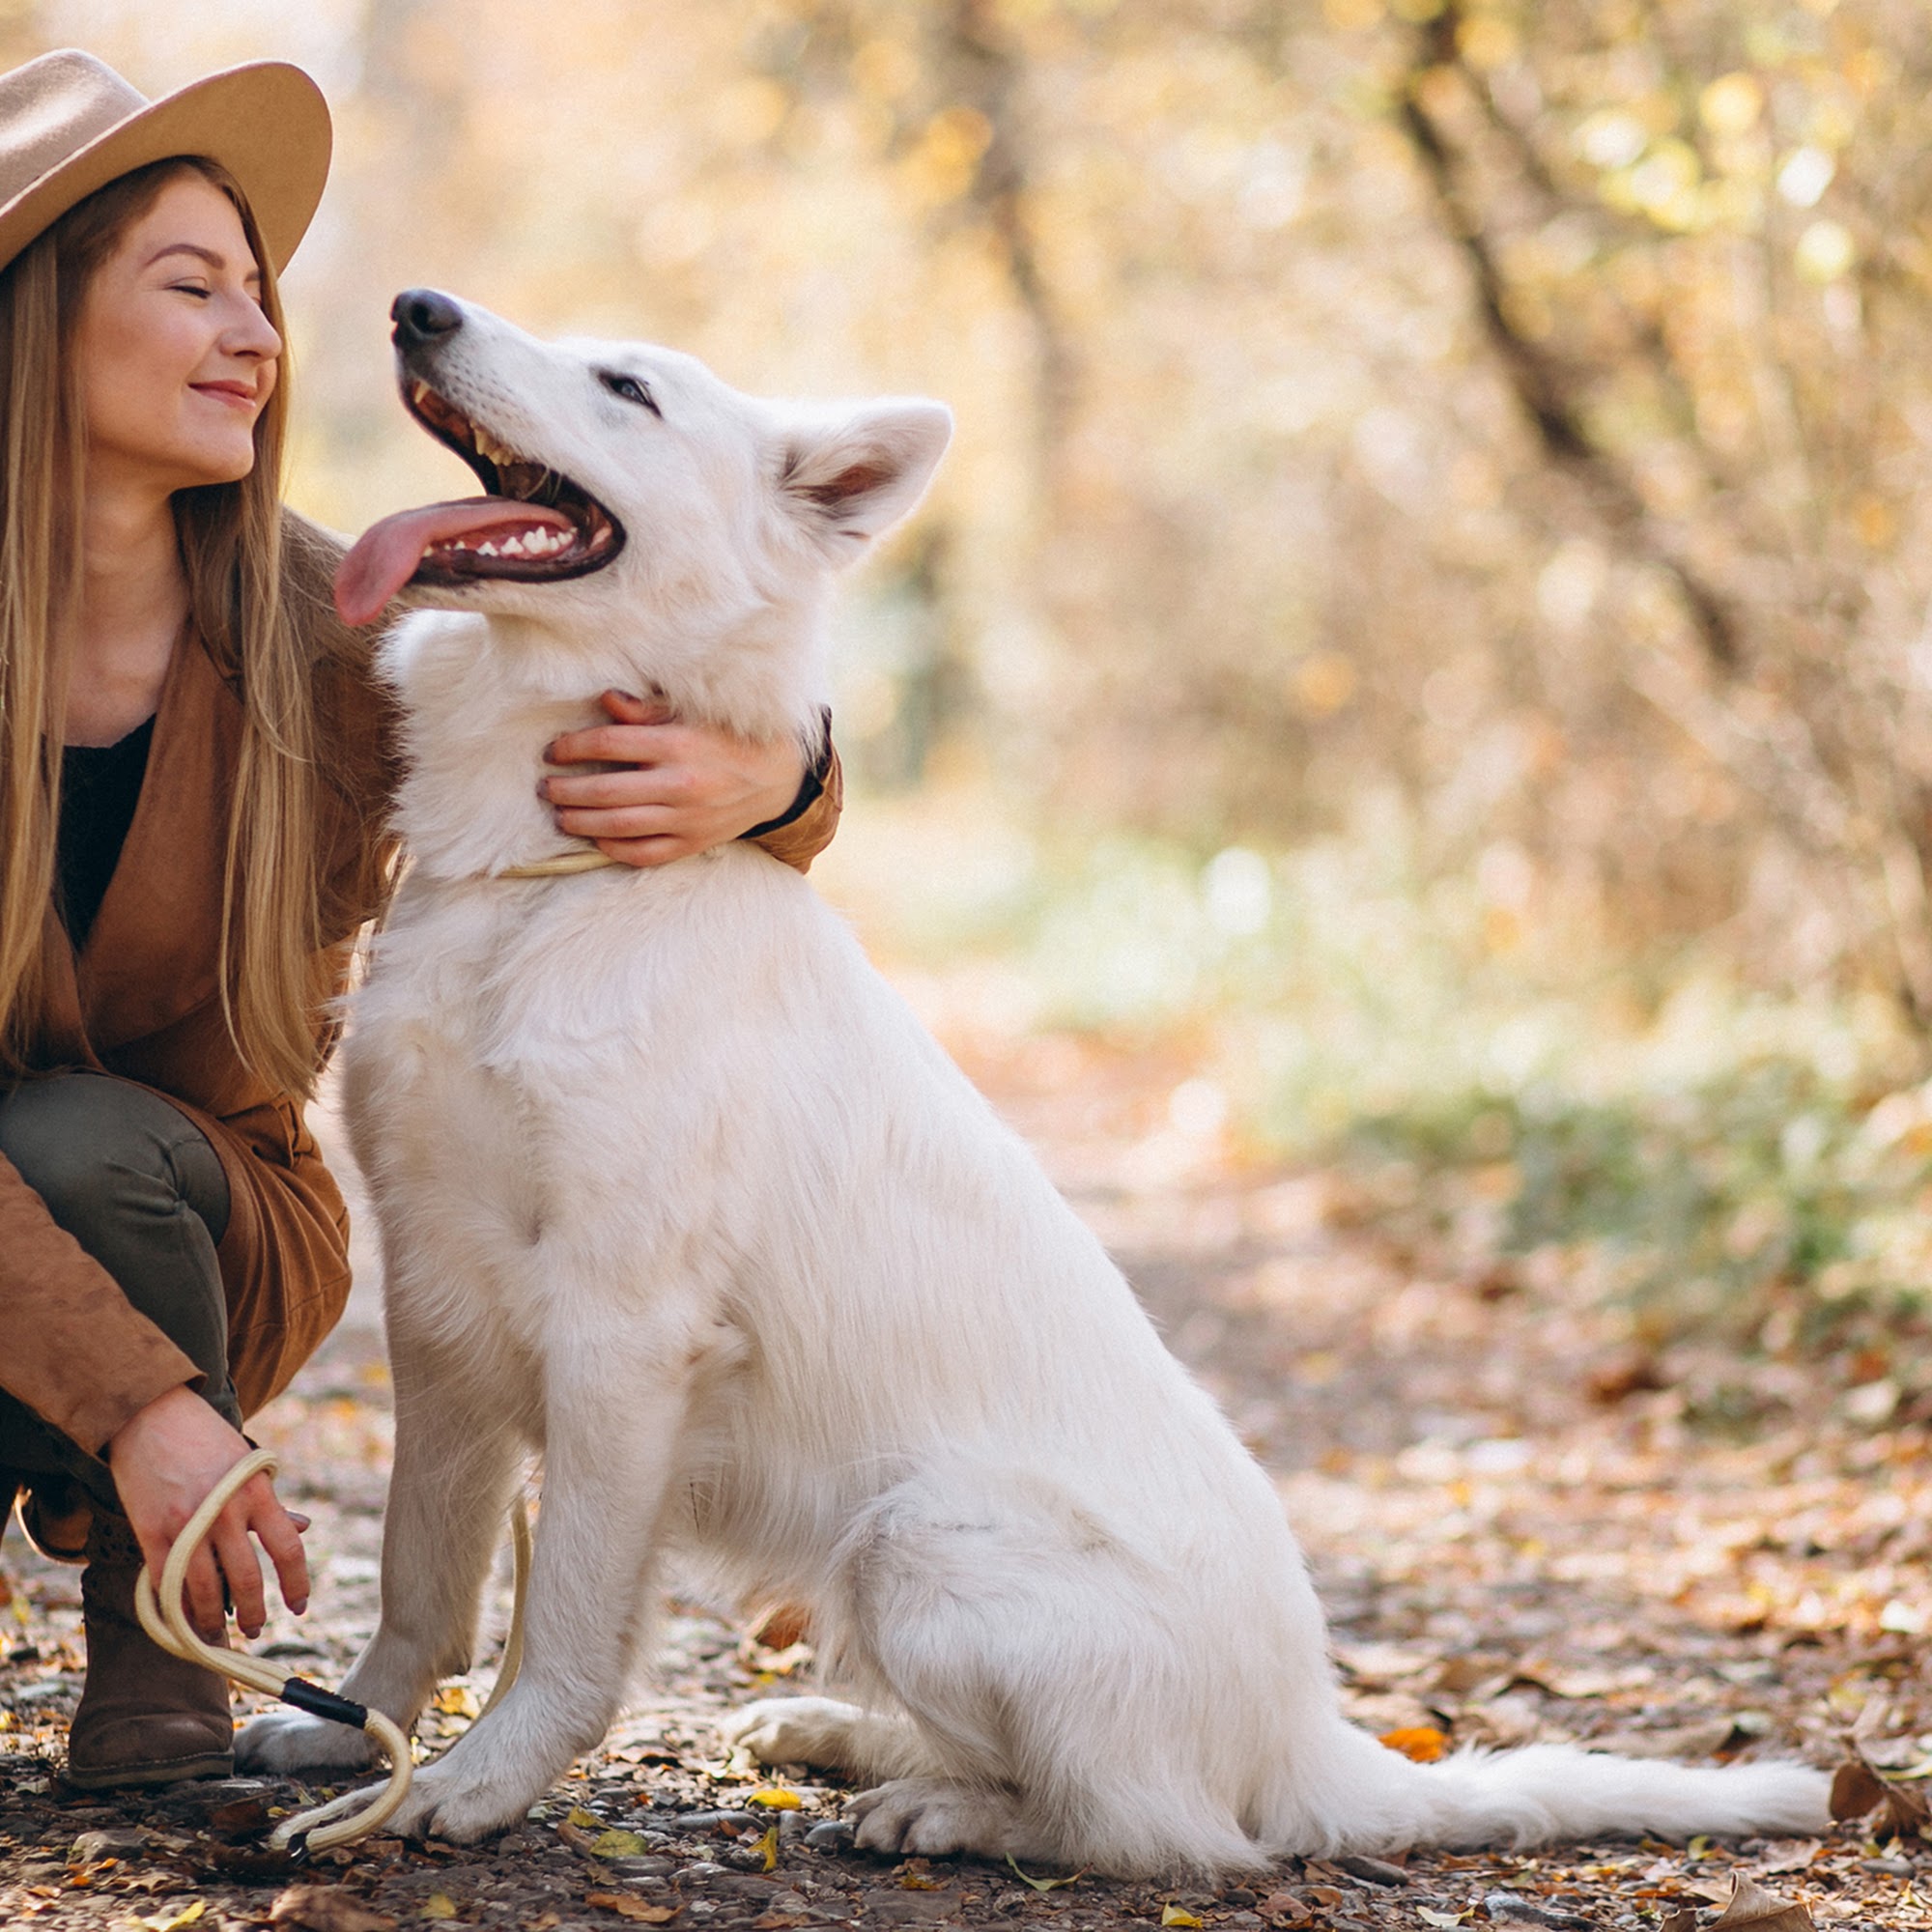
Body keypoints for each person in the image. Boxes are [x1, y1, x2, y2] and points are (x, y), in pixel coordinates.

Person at [0, 48, 840, 1790]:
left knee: (78, 1143)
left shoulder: (337, 624)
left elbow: (675, 650)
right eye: (189, 286)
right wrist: (128, 1401)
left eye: (261, 292)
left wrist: (778, 786)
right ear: (33, 323)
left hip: (189, 1215)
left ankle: (152, 1672)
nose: (258, 335)